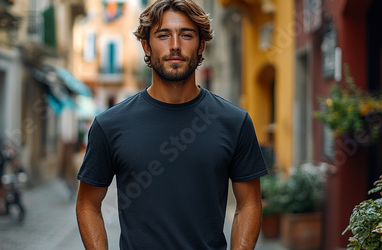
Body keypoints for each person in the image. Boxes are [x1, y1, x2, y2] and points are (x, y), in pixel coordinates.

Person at [76, 0, 268, 249]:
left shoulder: (234, 122)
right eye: (163, 35)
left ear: (201, 46)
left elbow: (249, 204)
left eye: (186, 35)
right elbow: (88, 204)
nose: (175, 46)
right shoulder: (110, 124)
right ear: (146, 46)